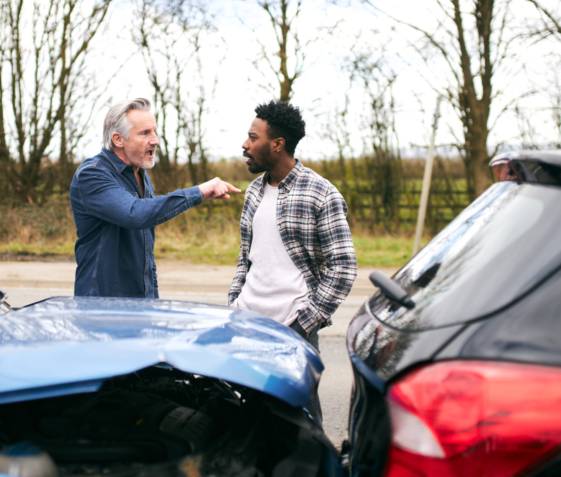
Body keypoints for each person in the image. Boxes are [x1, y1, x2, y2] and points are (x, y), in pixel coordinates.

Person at [228, 100, 358, 420]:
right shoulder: (253, 192)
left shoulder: (321, 193)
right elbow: (246, 257)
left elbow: (343, 267)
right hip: (247, 325)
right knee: (247, 420)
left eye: (253, 138)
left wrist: (303, 325)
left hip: (292, 329)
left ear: (277, 144)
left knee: (302, 426)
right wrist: (234, 302)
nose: (245, 145)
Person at [71, 98, 240, 298]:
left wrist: (153, 298)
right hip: (101, 306)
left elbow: (146, 252)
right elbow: (135, 214)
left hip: (141, 303)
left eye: (154, 131)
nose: (155, 140)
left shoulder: (140, 173)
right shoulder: (92, 175)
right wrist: (197, 192)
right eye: (145, 133)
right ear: (118, 139)